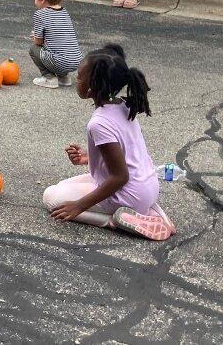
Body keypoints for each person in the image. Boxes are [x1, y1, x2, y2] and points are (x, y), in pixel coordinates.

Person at [43, 44, 176, 241]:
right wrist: (88, 158)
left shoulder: (99, 123)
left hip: (128, 192)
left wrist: (78, 207)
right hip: (147, 186)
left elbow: (120, 176)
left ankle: (116, 220)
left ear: (92, 86)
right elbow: (126, 153)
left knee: (51, 198)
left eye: (79, 76)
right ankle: (154, 213)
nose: (76, 80)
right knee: (61, 185)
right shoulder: (122, 105)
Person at [28, 0, 82, 89]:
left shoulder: (40, 14)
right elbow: (58, 36)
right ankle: (64, 77)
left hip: (60, 61)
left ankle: (49, 78)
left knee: (34, 49)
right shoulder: (64, 12)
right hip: (75, 61)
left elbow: (38, 42)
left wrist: (35, 37)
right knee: (58, 49)